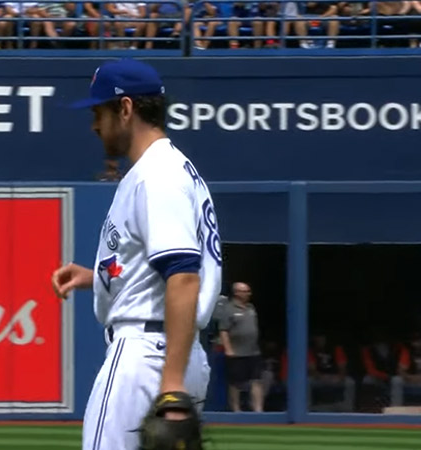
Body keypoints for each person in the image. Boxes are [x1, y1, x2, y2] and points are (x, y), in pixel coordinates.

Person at [52, 58, 222, 450]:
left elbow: (183, 276)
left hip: (148, 359)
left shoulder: (157, 176)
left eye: (99, 111)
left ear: (125, 109)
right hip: (171, 351)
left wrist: (172, 387)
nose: (94, 124)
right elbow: (163, 269)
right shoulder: (170, 170)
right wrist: (94, 278)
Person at [218, 282, 264, 412]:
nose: (248, 294)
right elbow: (223, 330)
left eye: (248, 291)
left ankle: (258, 410)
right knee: (235, 383)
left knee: (256, 380)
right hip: (237, 352)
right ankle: (236, 410)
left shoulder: (251, 308)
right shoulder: (228, 309)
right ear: (236, 293)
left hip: (253, 352)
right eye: (245, 291)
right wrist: (228, 349)